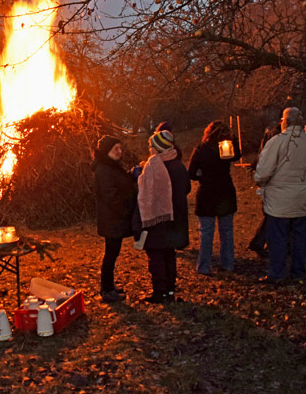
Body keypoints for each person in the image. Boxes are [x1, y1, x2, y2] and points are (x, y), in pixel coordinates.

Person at [253, 107, 306, 283]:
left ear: (285, 121)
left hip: (279, 201)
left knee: (278, 238)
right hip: (300, 198)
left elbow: (263, 171)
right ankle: (298, 272)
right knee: (298, 238)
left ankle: (277, 273)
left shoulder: (277, 142)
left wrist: (259, 179)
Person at [134, 130, 190, 303]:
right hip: (175, 217)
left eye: (151, 146)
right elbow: (186, 188)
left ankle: (159, 291)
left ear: (157, 148)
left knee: (156, 254)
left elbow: (147, 192)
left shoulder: (154, 165)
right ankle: (170, 289)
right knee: (169, 253)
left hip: (157, 219)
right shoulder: (178, 164)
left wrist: (138, 176)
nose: (149, 149)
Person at [188, 121, 241, 275]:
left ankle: (204, 266)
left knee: (206, 233)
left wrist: (201, 174)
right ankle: (228, 263)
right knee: (226, 231)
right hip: (225, 192)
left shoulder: (201, 150)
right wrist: (233, 140)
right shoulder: (227, 149)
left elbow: (191, 172)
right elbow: (238, 155)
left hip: (207, 193)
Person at [92, 135, 137, 303]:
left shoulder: (111, 166)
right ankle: (107, 289)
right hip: (112, 218)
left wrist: (131, 176)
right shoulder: (103, 169)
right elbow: (111, 195)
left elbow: (120, 183)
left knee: (113, 253)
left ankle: (109, 286)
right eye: (115, 149)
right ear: (107, 151)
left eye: (120, 148)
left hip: (114, 217)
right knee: (110, 254)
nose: (120, 151)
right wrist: (126, 208)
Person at [247, 120, 282, 258]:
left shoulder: (275, 136)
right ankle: (260, 241)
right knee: (273, 214)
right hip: (273, 181)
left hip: (272, 180)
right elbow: (266, 157)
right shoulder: (276, 137)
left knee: (273, 214)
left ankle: (265, 242)